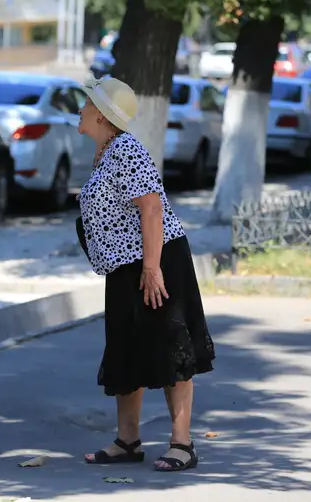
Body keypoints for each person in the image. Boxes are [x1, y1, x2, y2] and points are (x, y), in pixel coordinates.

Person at [76, 77, 216, 472]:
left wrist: (152, 269)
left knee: (171, 346)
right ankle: (128, 440)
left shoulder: (126, 149)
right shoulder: (107, 151)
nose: (81, 108)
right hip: (125, 267)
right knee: (127, 347)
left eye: (87, 103)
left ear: (101, 115)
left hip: (155, 260)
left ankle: (182, 443)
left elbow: (151, 209)